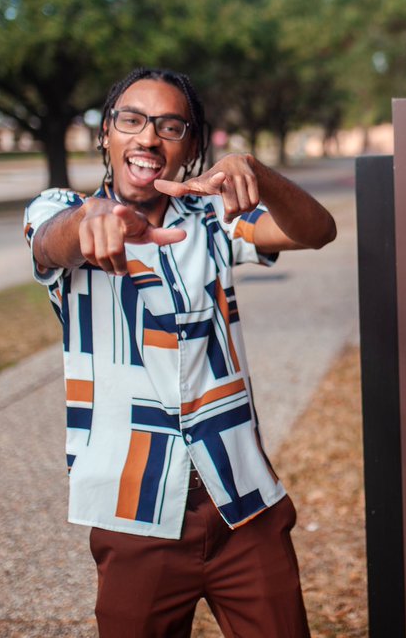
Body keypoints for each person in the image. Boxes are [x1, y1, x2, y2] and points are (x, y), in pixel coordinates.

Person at [23, 67, 336, 637]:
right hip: (134, 510)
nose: (147, 137)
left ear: (191, 146)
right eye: (131, 120)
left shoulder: (213, 221)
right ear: (106, 135)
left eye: (170, 126)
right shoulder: (62, 210)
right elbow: (50, 241)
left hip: (241, 500)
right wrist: (90, 221)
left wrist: (259, 176)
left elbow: (317, 231)